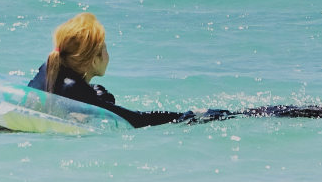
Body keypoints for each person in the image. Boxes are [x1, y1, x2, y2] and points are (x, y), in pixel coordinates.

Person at [29, 12, 208, 128]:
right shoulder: (74, 90)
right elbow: (136, 120)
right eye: (104, 49)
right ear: (93, 61)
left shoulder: (50, 67)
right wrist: (189, 116)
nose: (108, 55)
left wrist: (99, 96)